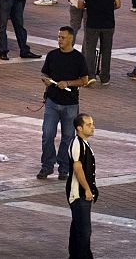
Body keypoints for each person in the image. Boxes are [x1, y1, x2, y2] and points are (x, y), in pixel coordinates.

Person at [39, 27, 90, 180]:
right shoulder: (52, 55)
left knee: (68, 137)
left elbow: (85, 80)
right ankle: (47, 166)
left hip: (70, 104)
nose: (59, 40)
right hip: (52, 102)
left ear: (71, 39)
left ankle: (64, 168)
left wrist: (68, 83)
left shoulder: (78, 58)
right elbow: (44, 73)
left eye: (63, 37)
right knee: (48, 135)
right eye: (59, 37)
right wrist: (46, 80)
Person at [77, 0, 121, 86]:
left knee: (90, 49)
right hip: (108, 22)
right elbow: (118, 4)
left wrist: (89, 5)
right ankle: (105, 76)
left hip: (92, 22)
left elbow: (79, 5)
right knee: (106, 50)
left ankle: (90, 75)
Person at [67, 113, 97, 259]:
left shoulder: (84, 143)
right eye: (89, 125)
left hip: (82, 193)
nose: (93, 127)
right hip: (79, 194)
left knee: (77, 227)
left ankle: (74, 256)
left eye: (92, 124)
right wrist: (87, 189)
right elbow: (78, 169)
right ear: (79, 128)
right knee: (84, 230)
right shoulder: (77, 144)